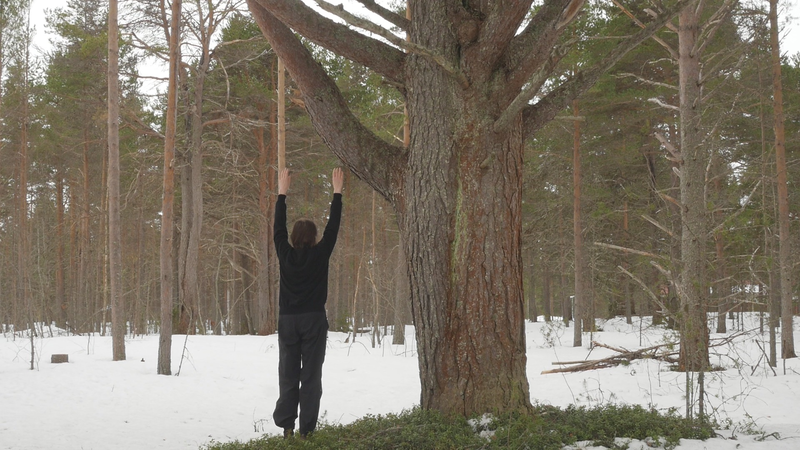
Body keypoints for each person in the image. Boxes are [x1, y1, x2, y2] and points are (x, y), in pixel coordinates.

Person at [272, 167, 344, 439]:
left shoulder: (285, 253)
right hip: (313, 320)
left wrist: (282, 193)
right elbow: (332, 228)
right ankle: (306, 432)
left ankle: (287, 427)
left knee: (288, 373)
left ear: (293, 238)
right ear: (314, 238)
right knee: (311, 376)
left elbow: (278, 228)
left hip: (288, 320)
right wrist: (336, 193)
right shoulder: (320, 254)